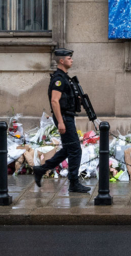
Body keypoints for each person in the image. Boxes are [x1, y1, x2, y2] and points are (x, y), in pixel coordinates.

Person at [33, 48, 90, 193]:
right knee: (75, 149)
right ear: (61, 61)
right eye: (69, 58)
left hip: (67, 115)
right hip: (64, 117)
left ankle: (41, 170)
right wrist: (60, 122)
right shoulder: (59, 79)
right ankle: (74, 183)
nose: (71, 60)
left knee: (68, 149)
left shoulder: (65, 78)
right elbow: (54, 101)